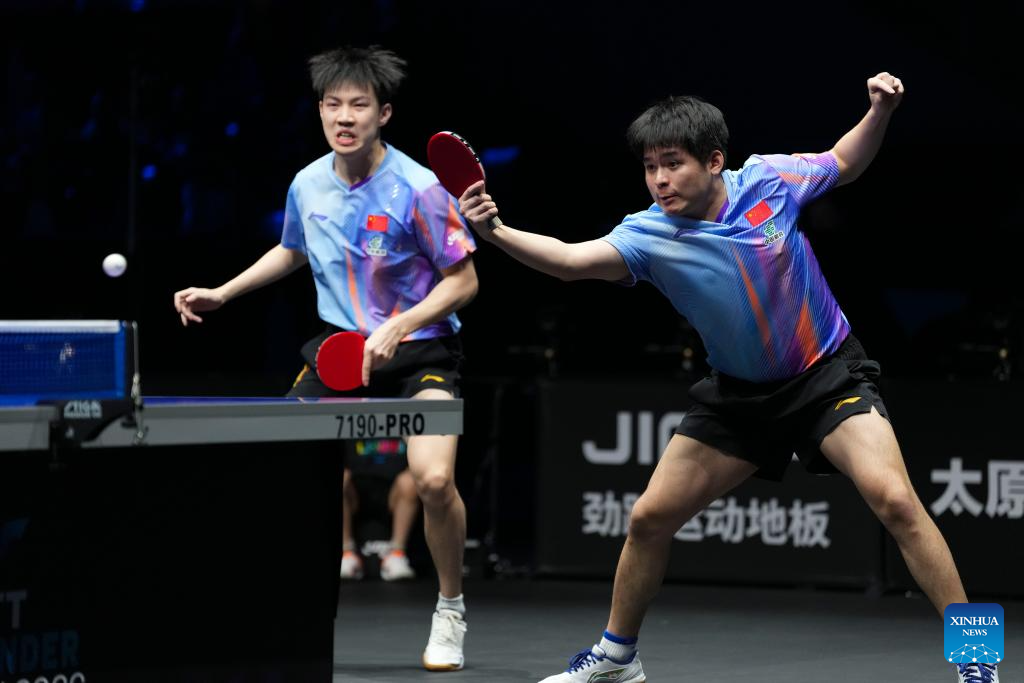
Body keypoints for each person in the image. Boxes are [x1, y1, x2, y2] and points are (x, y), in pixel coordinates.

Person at [461, 73, 991, 683]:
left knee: (896, 501)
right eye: (650, 167)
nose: (659, 180)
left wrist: (879, 112)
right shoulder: (647, 235)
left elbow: (844, 161)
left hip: (827, 376)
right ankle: (617, 656)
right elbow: (569, 262)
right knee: (648, 519)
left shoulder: (768, 181)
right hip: (739, 397)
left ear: (714, 161)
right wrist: (494, 232)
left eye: (673, 164)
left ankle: (977, 654)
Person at [174, 45, 476, 672]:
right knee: (275, 471)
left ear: (383, 113)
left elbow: (463, 281)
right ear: (319, 111)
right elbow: (292, 250)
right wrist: (223, 293)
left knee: (433, 480)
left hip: (421, 350)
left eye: (358, 105)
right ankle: (275, 609)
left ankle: (450, 608)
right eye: (333, 104)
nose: (344, 117)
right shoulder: (306, 183)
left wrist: (400, 325)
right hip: (340, 354)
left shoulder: (420, 188)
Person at [341, 439, 419, 582]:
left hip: (394, 492)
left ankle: (397, 554)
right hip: (355, 491)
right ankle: (346, 554)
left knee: (411, 479)